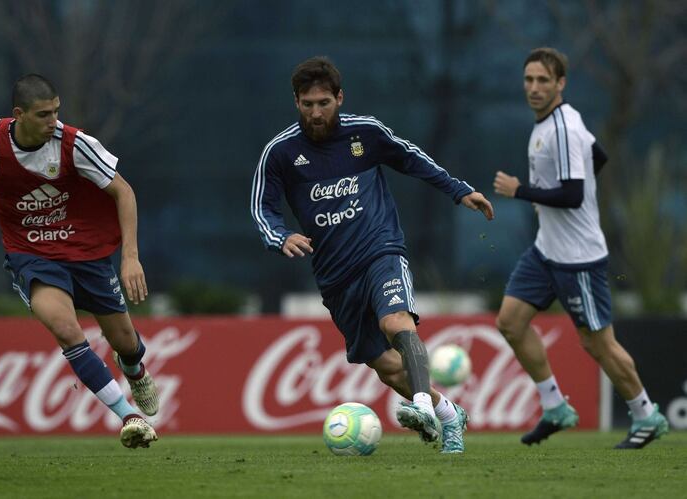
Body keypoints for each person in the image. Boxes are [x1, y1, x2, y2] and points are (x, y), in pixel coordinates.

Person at [251, 56, 494, 453]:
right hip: (335, 277)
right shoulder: (280, 153)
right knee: (387, 368)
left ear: (340, 98)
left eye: (324, 102)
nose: (316, 112)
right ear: (296, 102)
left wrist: (459, 189)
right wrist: (279, 236)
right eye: (308, 104)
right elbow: (263, 207)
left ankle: (420, 406)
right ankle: (449, 413)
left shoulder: (365, 133)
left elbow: (412, 158)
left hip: (381, 249)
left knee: (396, 321)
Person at [0, 74, 160, 449]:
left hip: (88, 254)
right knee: (66, 329)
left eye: (56, 112)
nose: (53, 121)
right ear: (19, 115)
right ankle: (129, 416)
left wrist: (130, 257)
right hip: (33, 257)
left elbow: (123, 191)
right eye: (44, 114)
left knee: (124, 341)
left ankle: (134, 368)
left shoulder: (75, 144)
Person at [493, 47, 669, 449]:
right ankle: (554, 406)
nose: (534, 88)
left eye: (543, 81)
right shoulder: (552, 123)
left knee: (597, 343)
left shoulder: (563, 128)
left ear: (561, 84)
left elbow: (572, 195)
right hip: (545, 250)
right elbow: (599, 157)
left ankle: (647, 414)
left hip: (577, 258)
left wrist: (521, 190)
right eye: (529, 80)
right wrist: (564, 190)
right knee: (510, 322)